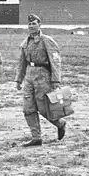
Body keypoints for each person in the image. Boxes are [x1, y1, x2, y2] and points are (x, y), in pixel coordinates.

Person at [14, 14, 66, 147]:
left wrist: (55, 80)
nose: (31, 26)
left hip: (43, 76)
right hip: (29, 77)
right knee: (28, 108)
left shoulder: (46, 40)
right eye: (30, 24)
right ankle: (36, 137)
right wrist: (18, 80)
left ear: (39, 25)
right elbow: (22, 63)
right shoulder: (25, 43)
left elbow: (55, 61)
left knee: (44, 108)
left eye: (34, 24)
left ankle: (60, 123)